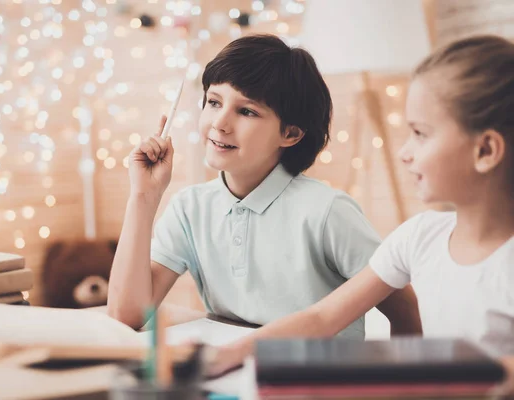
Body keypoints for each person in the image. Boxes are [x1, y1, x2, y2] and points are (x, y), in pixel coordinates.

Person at [209, 35, 514, 384]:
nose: (405, 153)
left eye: (420, 134)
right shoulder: (419, 236)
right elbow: (322, 318)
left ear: (486, 150)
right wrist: (230, 354)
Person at [107, 34, 421, 340]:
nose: (220, 122)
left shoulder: (328, 212)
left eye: (246, 111)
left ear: (291, 134)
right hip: (236, 374)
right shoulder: (190, 208)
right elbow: (127, 315)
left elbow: (404, 309)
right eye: (214, 102)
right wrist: (143, 197)